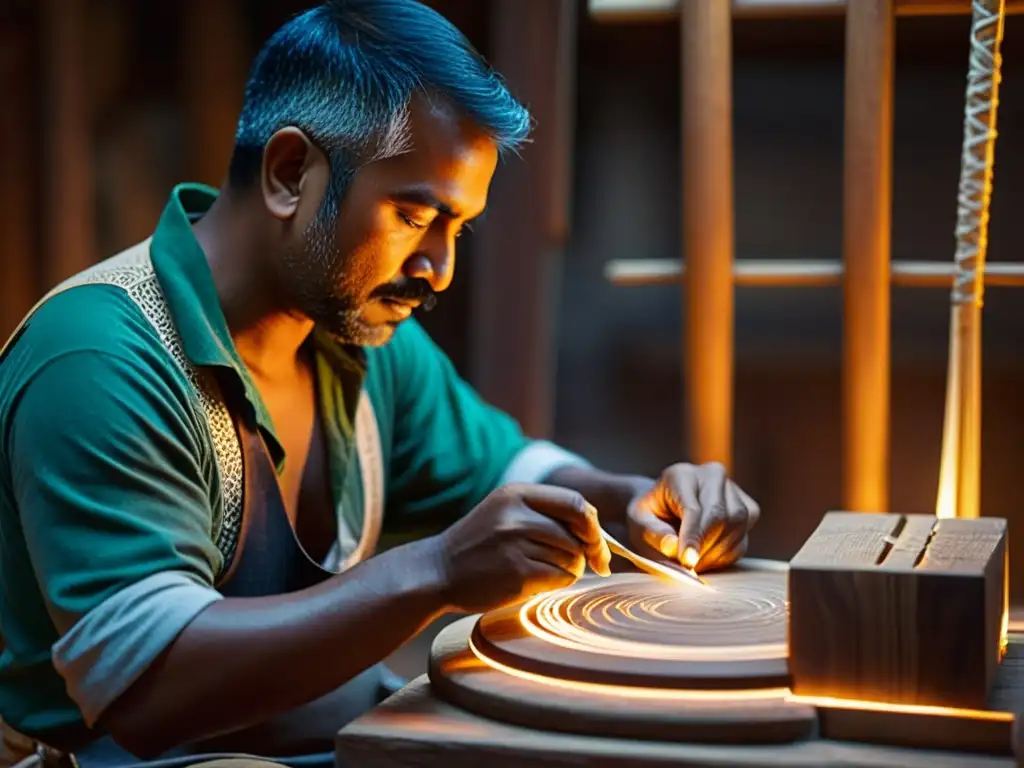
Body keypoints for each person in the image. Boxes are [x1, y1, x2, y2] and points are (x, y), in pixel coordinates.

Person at [0, 1, 761, 766]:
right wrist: (432, 573)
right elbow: (148, 687)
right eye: (412, 214)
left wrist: (632, 503)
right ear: (291, 173)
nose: (438, 270)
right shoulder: (100, 358)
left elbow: (504, 472)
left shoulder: (358, 338)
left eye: (456, 228)